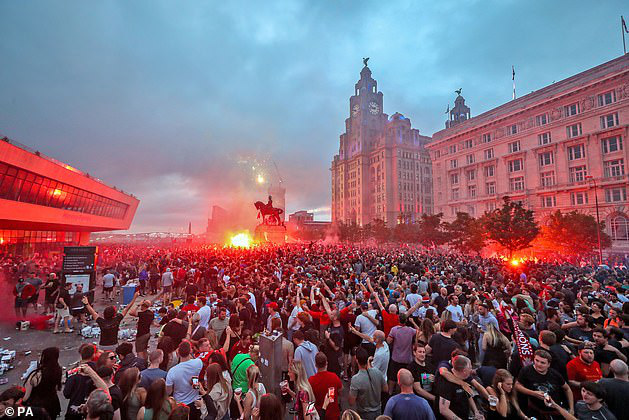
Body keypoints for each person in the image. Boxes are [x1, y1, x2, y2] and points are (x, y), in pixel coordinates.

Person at [516, 349, 573, 418]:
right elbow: (517, 386)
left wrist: (571, 409)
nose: (538, 364)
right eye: (536, 360)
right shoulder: (526, 371)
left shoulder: (554, 374)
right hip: (536, 411)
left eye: (542, 363)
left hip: (555, 410)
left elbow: (567, 389)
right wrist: (533, 393)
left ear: (548, 364)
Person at [434, 355, 481, 420]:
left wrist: (476, 412)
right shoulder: (446, 383)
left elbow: (468, 395)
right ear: (464, 370)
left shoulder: (464, 377)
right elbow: (444, 410)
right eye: (470, 367)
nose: (471, 369)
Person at [165, 341, 203, 420]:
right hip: (195, 401)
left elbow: (168, 391)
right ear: (190, 351)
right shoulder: (198, 363)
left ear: (178, 353)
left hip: (180, 404)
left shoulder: (172, 371)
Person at [22, 347, 63, 419]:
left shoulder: (36, 375)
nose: (40, 357)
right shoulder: (58, 370)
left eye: (41, 355)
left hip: (37, 406)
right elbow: (56, 388)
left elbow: (26, 397)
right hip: (52, 403)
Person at [349, 347, 388, 420]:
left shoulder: (356, 379)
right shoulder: (377, 372)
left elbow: (351, 402)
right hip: (378, 411)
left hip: (364, 414)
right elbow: (386, 389)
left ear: (357, 360)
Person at [63, 344, 98, 420]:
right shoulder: (98, 370)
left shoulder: (71, 373)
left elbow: (66, 394)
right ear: (93, 355)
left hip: (74, 410)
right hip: (93, 410)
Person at [308, 352, 342, 420]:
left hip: (319, 415)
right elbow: (340, 391)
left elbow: (309, 398)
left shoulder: (311, 380)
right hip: (334, 415)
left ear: (315, 365)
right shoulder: (334, 377)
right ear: (326, 363)